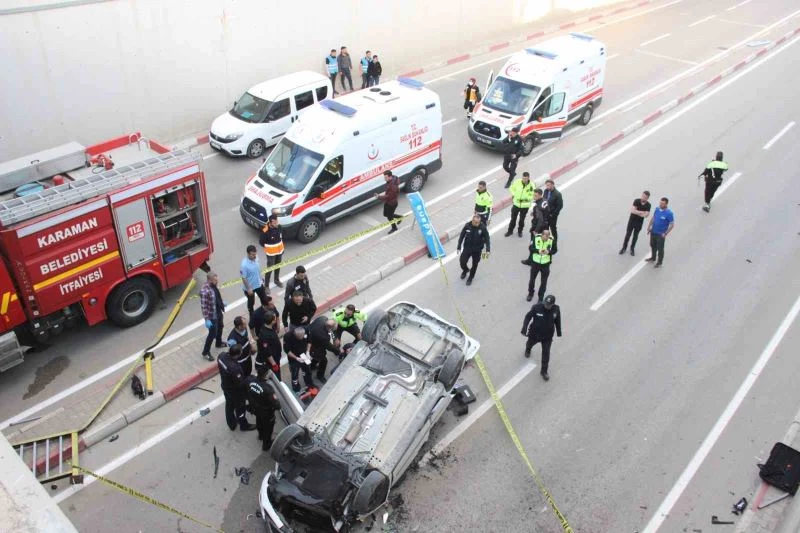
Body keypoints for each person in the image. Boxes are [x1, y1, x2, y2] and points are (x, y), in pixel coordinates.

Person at [521, 295, 562, 381]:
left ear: (552, 305)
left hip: (547, 336)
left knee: (546, 353)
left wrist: (559, 332)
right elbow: (528, 316)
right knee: (530, 343)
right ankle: (528, 349)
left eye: (548, 304)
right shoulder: (537, 307)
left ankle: (544, 371)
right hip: (535, 334)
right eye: (545, 303)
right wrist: (524, 328)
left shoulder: (556, 309)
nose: (546, 305)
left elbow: (558, 321)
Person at [217, 345, 256, 430]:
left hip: (225, 386)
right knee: (240, 408)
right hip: (235, 391)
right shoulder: (235, 368)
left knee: (229, 405)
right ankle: (243, 425)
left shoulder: (221, 356)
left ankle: (231, 423)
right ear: (237, 355)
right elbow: (240, 383)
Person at [244, 367, 282, 450]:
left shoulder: (250, 379)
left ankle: (261, 435)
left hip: (255, 409)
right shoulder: (268, 389)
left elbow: (244, 388)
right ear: (265, 375)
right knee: (268, 429)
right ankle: (266, 445)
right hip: (266, 413)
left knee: (259, 421)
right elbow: (277, 405)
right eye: (269, 372)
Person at [457, 213, 491, 286]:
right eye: (475, 222)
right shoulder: (467, 226)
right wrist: (459, 246)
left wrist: (488, 250)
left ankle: (470, 277)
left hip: (477, 250)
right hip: (467, 248)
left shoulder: (482, 228)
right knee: (462, 261)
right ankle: (465, 270)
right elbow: (462, 236)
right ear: (472, 220)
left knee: (474, 265)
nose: (477, 224)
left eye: (478, 222)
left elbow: (487, 238)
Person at [200, 272, 226, 361]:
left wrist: (222, 304)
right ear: (210, 280)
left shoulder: (214, 286)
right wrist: (207, 319)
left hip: (218, 311)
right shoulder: (205, 291)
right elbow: (204, 307)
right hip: (212, 316)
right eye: (215, 280)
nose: (217, 281)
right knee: (212, 334)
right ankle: (205, 352)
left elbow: (217, 296)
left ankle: (218, 342)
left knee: (221, 326)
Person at [241, 245, 268, 326]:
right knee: (251, 303)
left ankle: (266, 314)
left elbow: (257, 269)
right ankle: (252, 318)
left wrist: (260, 277)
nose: (254, 256)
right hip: (250, 288)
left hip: (259, 284)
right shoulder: (244, 265)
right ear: (248, 254)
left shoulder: (256, 258)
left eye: (255, 254)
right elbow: (244, 278)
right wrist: (249, 288)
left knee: (264, 299)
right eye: (252, 254)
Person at [309, 316, 341, 383]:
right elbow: (329, 347)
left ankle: (312, 366)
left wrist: (334, 338)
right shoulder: (323, 336)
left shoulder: (323, 318)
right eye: (332, 330)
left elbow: (330, 331)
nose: (332, 331)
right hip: (314, 344)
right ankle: (320, 375)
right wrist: (338, 351)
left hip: (311, 335)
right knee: (323, 360)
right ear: (329, 328)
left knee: (317, 357)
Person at [619, 190, 651, 256]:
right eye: (643, 196)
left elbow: (646, 215)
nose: (643, 198)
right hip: (632, 221)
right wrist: (642, 212)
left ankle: (632, 249)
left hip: (639, 223)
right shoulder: (636, 201)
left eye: (645, 197)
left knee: (635, 236)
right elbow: (632, 211)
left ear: (647, 198)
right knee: (628, 235)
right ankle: (624, 248)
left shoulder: (648, 205)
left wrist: (637, 211)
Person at [646, 197, 675, 268]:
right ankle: (653, 257)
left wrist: (665, 233)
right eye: (660, 203)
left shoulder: (669, 213)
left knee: (660, 248)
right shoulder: (657, 209)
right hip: (653, 231)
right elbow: (654, 218)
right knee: (652, 245)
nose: (660, 204)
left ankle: (659, 262)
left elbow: (672, 225)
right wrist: (649, 226)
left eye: (662, 203)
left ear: (666, 204)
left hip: (660, 234)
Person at [526, 229, 553, 303]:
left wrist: (549, 252)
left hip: (545, 264)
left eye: (547, 237)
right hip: (535, 263)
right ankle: (530, 293)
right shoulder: (536, 238)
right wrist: (538, 251)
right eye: (545, 237)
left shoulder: (551, 240)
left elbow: (555, 250)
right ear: (542, 235)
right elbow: (530, 248)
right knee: (532, 280)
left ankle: (541, 297)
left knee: (544, 282)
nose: (546, 238)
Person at [284, 326, 314, 392]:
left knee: (307, 371)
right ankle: (297, 389)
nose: (301, 338)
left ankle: (309, 384)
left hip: (304, 354)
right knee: (295, 375)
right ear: (295, 334)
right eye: (299, 337)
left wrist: (308, 351)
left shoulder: (306, 330)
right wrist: (296, 358)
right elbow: (287, 350)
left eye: (302, 337)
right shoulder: (287, 336)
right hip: (294, 358)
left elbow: (309, 341)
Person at [255, 311, 283, 380]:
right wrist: (274, 364)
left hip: (276, 357)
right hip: (271, 362)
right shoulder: (265, 335)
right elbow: (267, 351)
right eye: (275, 318)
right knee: (276, 377)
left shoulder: (269, 327)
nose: (276, 319)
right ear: (272, 321)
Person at [260, 215, 285, 290]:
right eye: (274, 223)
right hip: (271, 254)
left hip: (279, 251)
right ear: (270, 223)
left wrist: (281, 250)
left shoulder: (279, 227)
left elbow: (281, 237)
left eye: (277, 221)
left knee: (277, 266)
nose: (276, 224)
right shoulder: (265, 230)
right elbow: (261, 242)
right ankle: (266, 286)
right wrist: (270, 247)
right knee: (270, 269)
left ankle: (276, 280)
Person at [506, 172, 534, 237]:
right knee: (513, 218)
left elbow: (532, 194)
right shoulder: (517, 182)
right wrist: (514, 194)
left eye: (526, 178)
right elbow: (511, 188)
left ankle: (520, 231)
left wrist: (525, 198)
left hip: (525, 205)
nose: (524, 180)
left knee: (522, 219)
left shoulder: (531, 185)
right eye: (523, 178)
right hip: (516, 204)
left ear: (528, 178)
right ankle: (510, 231)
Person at [543, 179, 563, 253]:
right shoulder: (545, 191)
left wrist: (552, 214)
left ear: (552, 185)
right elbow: (544, 200)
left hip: (552, 216)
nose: (547, 187)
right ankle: (546, 244)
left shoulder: (557, 194)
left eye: (548, 185)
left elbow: (560, 206)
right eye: (546, 185)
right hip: (546, 215)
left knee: (553, 231)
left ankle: (554, 248)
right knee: (545, 230)